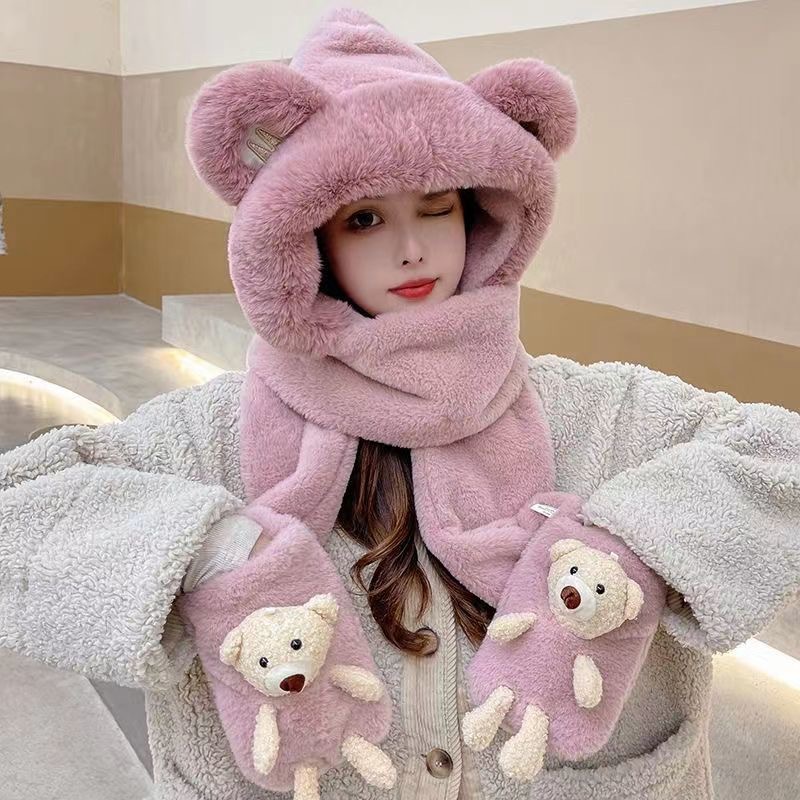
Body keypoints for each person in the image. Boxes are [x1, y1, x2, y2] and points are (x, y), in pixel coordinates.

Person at [1, 7, 799, 800]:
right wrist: (222, 554)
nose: (412, 248)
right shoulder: (212, 435)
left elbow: (781, 456)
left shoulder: (597, 413)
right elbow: (21, 510)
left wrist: (632, 542)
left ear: (481, 213)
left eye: (436, 206)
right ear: (308, 238)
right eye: (365, 218)